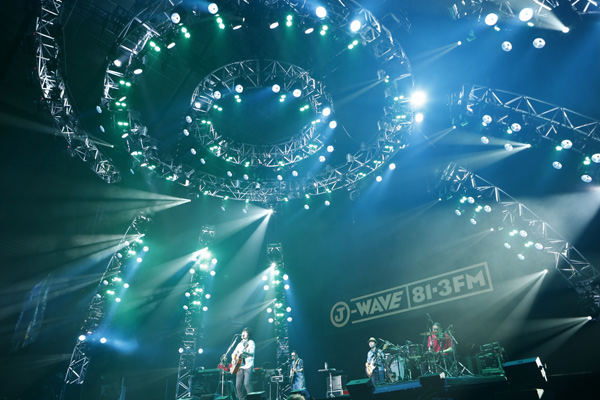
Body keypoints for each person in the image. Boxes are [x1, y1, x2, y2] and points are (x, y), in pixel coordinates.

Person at [232, 327, 255, 400]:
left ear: (248, 335)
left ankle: (251, 398)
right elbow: (233, 353)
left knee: (247, 384)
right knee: (238, 386)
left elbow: (251, 353)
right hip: (239, 366)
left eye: (245, 332)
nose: (243, 333)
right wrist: (233, 359)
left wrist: (243, 352)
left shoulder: (251, 342)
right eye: (243, 332)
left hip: (248, 365)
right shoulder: (239, 344)